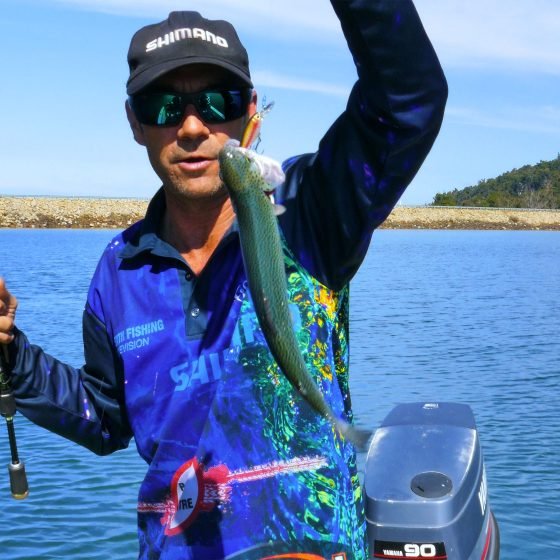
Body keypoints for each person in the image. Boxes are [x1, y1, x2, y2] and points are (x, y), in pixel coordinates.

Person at [0, 1, 447, 558]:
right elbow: (105, 416)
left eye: (218, 101)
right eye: (163, 105)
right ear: (135, 121)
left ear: (249, 113)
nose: (192, 126)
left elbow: (408, 100)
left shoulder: (312, 213)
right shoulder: (120, 269)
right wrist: (12, 357)